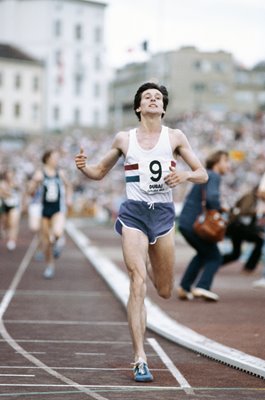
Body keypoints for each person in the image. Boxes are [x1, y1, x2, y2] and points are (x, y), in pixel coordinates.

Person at [75, 82, 208, 382]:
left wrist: (185, 173)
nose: (152, 99)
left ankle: (147, 260)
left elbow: (203, 173)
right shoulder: (125, 138)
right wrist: (84, 168)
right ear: (138, 107)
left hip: (162, 216)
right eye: (147, 96)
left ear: (163, 108)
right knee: (137, 282)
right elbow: (98, 172)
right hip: (134, 212)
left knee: (163, 289)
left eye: (157, 97)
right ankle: (140, 358)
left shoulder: (175, 136)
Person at [177, 150, 230, 302]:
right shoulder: (213, 175)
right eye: (226, 161)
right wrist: (222, 207)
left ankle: (185, 287)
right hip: (196, 223)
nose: (228, 165)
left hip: (186, 222)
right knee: (215, 256)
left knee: (202, 253)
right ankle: (203, 286)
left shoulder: (206, 174)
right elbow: (212, 199)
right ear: (218, 162)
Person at [28, 150, 72, 279]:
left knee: (57, 233)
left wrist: (69, 198)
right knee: (46, 242)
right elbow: (30, 191)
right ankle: (50, 266)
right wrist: (35, 183)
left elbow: (69, 186)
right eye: (54, 158)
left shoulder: (60, 173)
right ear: (47, 158)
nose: (57, 160)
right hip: (44, 209)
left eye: (58, 158)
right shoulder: (40, 173)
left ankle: (58, 243)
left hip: (58, 208)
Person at [221, 186, 264, 273]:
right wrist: (257, 212)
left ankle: (214, 262)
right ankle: (249, 267)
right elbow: (244, 211)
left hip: (239, 228)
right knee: (259, 241)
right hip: (238, 227)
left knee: (236, 254)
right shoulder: (250, 197)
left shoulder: (255, 199)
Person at [0, 169, 21, 250]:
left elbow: (21, 191)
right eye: (8, 175)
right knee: (7, 223)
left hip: (14, 205)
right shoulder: (2, 183)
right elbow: (2, 193)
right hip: (5, 205)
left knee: (13, 223)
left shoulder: (16, 183)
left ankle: (12, 240)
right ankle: (5, 231)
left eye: (11, 174)